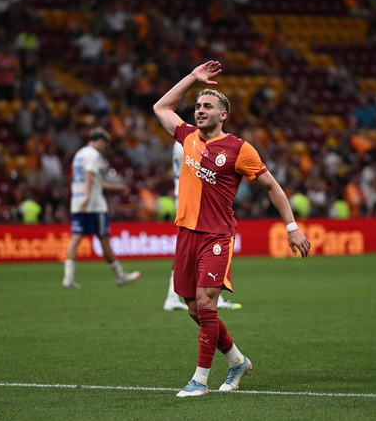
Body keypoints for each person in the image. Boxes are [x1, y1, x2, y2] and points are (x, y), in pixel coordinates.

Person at [152, 61, 311, 397]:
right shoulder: (187, 137)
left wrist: (292, 227)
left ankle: (200, 381)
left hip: (216, 236)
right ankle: (238, 361)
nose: (200, 110)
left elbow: (272, 186)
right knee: (193, 308)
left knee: (206, 303)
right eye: (197, 106)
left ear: (223, 115)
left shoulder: (240, 149)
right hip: (186, 234)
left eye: (208, 106)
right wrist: (192, 78)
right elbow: (161, 108)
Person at [163, 106, 241, 311]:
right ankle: (208, 294)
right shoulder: (190, 141)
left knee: (189, 251)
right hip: (195, 201)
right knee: (213, 243)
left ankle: (174, 296)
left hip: (185, 199)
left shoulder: (181, 143)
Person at [62, 127, 140, 289]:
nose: (105, 148)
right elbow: (89, 175)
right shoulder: (95, 155)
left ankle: (68, 278)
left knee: (75, 239)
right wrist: (87, 197)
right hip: (95, 205)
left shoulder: (79, 154)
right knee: (104, 239)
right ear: (100, 141)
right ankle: (120, 276)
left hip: (77, 202)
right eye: (105, 144)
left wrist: (115, 188)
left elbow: (92, 180)